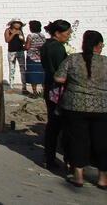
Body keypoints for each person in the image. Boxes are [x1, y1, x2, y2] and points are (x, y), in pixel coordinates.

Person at [54, 30, 107, 188]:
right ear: (98, 45)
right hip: (102, 107)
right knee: (101, 142)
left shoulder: (73, 59)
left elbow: (59, 78)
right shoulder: (105, 61)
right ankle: (103, 179)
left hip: (75, 106)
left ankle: (78, 176)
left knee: (78, 140)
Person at [40, 19, 72, 170]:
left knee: (53, 124)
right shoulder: (57, 48)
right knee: (60, 125)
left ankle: (49, 157)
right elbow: (61, 70)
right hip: (57, 89)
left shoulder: (47, 45)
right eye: (67, 33)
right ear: (58, 33)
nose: (69, 36)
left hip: (49, 86)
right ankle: (65, 159)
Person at [5, 19, 27, 94]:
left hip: (20, 51)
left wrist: (21, 36)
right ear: (13, 24)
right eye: (16, 23)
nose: (18, 24)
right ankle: (11, 87)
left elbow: (23, 41)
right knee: (12, 69)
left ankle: (24, 87)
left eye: (19, 23)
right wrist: (14, 33)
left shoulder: (20, 31)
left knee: (23, 69)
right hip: (12, 52)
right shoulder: (8, 30)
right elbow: (7, 40)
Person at [25, 20, 46, 96]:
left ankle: (34, 92)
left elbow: (27, 47)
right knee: (42, 74)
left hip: (32, 57)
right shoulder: (42, 35)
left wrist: (23, 46)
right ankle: (44, 92)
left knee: (33, 75)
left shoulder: (30, 36)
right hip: (41, 58)